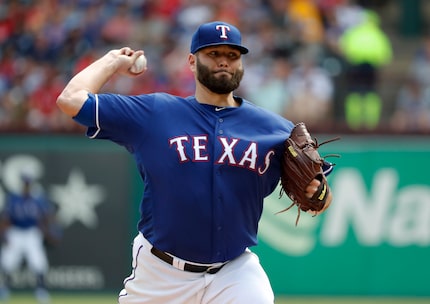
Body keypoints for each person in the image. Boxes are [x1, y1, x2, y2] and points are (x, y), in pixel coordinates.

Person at [56, 21, 333, 304]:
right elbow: (71, 100)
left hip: (234, 272)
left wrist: (319, 194)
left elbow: (321, 195)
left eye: (232, 55)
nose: (224, 61)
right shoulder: (155, 114)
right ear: (191, 61)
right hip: (161, 273)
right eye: (213, 54)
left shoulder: (274, 128)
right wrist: (112, 61)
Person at [0, 174, 58, 304]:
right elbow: (5, 219)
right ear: (22, 185)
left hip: (32, 233)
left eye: (28, 184)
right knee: (7, 262)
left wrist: (49, 232)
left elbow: (46, 217)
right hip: (15, 232)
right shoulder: (14, 198)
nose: (26, 187)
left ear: (31, 185)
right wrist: (4, 235)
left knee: (38, 262)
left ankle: (41, 291)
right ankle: (4, 289)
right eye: (25, 184)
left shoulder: (37, 199)